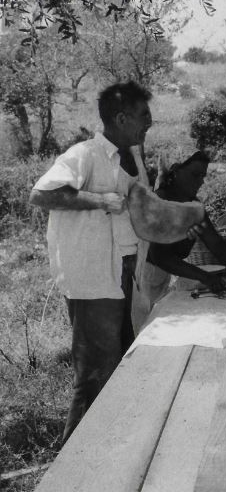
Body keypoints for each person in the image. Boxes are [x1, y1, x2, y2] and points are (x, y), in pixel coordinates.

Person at [29, 81, 153, 443]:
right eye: (144, 115)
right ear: (121, 117)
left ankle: (108, 449)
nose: (150, 122)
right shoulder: (84, 154)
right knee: (96, 372)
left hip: (126, 272)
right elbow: (40, 194)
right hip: (95, 277)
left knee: (121, 364)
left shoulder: (133, 156)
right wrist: (98, 201)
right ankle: (72, 461)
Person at [136, 150, 226, 326]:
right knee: (143, 328)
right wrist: (205, 277)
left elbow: (215, 243)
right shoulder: (160, 203)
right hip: (140, 278)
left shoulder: (192, 206)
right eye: (195, 175)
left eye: (202, 176)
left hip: (160, 277)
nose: (200, 181)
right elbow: (159, 256)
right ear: (175, 171)